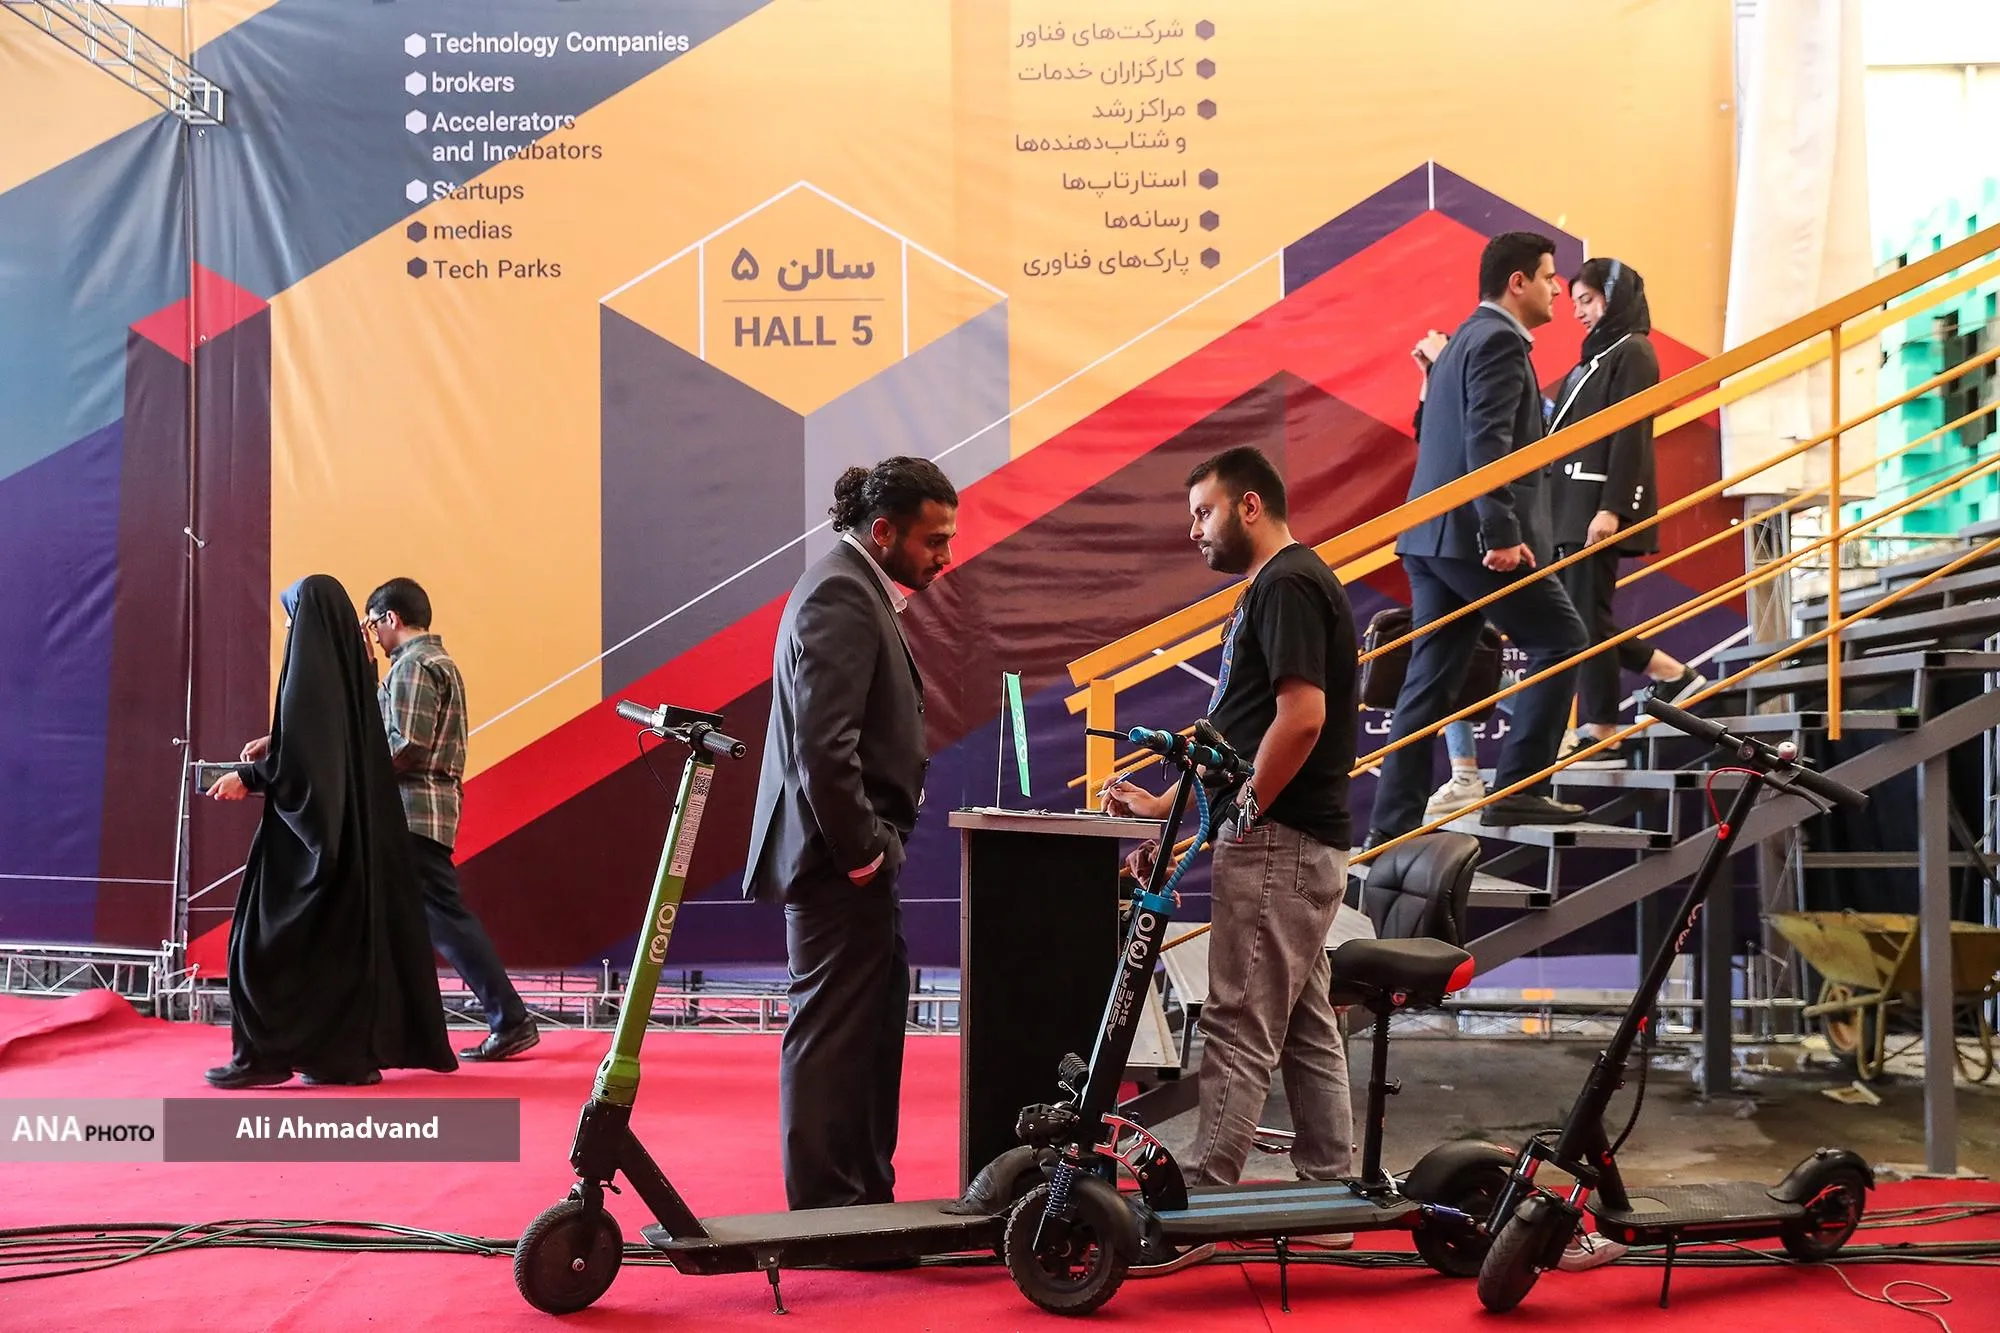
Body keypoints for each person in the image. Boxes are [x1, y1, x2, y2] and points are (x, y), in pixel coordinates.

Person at [1105, 445, 1357, 1219]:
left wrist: (1244, 810)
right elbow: (1240, 729)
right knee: (1305, 1026)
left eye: (1203, 512)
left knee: (1239, 1021)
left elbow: (1301, 716)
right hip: (1290, 840)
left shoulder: (1287, 582)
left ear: (1250, 505)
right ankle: (1331, 1196)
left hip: (1280, 842)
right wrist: (1165, 805)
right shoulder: (1275, 586)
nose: (1194, 530)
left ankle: (1197, 1202)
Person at [742, 456, 958, 1211]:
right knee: (835, 1037)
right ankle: (829, 1210)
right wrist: (864, 853)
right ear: (884, 531)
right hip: (838, 862)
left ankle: (861, 1198)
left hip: (849, 859)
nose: (945, 556)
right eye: (935, 540)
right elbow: (824, 747)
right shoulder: (840, 590)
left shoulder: (854, 584)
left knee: (866, 1032)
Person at [1365, 231, 1590, 848]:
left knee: (1429, 685)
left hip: (1432, 537)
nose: (1557, 289)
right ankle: (1520, 790)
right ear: (1518, 282)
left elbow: (1443, 435)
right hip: (1471, 538)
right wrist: (1501, 532)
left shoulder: (1465, 338)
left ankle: (1390, 826)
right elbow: (1486, 444)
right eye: (1548, 277)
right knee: (1563, 638)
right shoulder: (1496, 341)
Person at [204, 575, 458, 1089]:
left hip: (310, 844)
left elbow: (310, 760)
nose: (289, 629)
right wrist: (278, 743)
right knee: (336, 954)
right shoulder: (355, 673)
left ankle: (263, 1056)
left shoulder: (315, 673)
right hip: (353, 840)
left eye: (293, 619)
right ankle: (339, 1057)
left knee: (258, 945)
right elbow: (332, 741)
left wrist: (251, 777)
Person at [364, 578, 539, 1061]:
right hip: (427, 811)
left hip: (411, 811)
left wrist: (356, 772)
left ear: (391, 618)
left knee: (445, 918)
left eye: (373, 624)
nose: (374, 635)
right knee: (426, 919)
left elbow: (405, 745)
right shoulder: (435, 662)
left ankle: (510, 1017)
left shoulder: (412, 666)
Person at [1543, 259, 1705, 769]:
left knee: (1585, 618)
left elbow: (1631, 434)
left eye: (1588, 300)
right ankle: (1668, 674)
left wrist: (1612, 508)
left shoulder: (1633, 351)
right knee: (1581, 619)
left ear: (1613, 298)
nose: (1578, 313)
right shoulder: (1594, 358)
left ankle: (1604, 730)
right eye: (1575, 303)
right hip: (1569, 508)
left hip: (1594, 506)